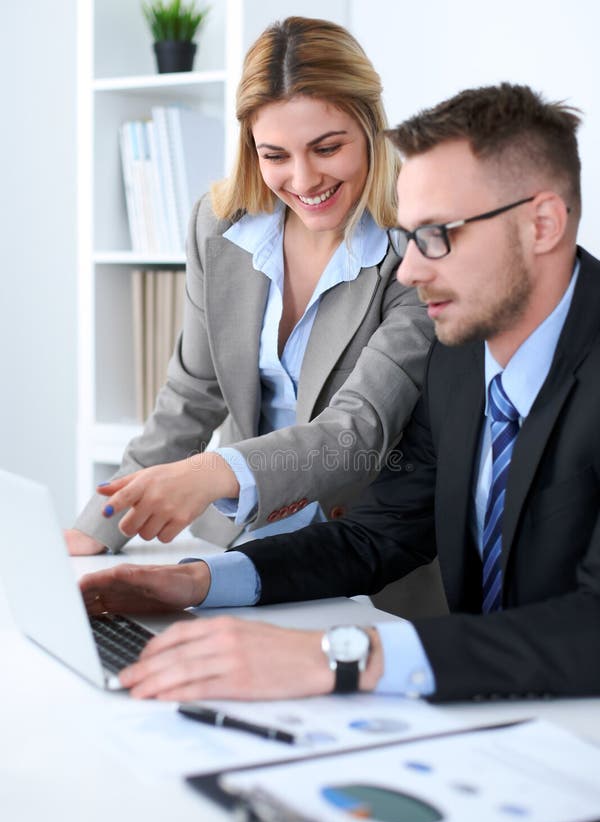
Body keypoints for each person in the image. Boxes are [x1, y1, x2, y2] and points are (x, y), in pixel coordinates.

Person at [80, 82, 600, 704]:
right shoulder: (463, 355)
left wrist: (338, 657)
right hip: (490, 710)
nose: (408, 271)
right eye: (409, 238)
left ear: (542, 223)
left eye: (437, 235)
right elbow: (380, 533)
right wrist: (194, 583)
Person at [67, 16, 433, 599]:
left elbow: (359, 431)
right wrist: (97, 528)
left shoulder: (415, 246)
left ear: (371, 128)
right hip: (231, 547)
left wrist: (213, 472)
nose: (304, 178)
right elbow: (192, 396)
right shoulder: (220, 227)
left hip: (360, 561)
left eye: (328, 147)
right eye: (275, 154)